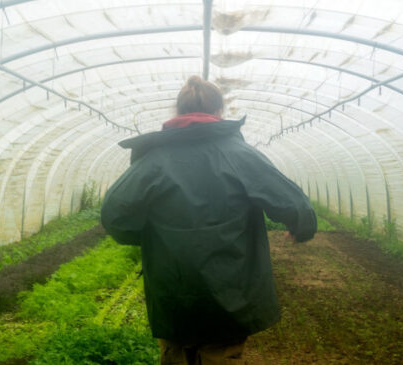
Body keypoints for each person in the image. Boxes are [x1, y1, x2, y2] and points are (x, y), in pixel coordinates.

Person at [101, 75, 317, 365]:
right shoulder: (238, 154)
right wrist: (300, 227)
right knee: (221, 353)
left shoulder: (154, 159)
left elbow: (114, 214)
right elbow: (293, 203)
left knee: (176, 355)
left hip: (172, 292)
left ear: (177, 113)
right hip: (230, 294)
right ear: (219, 113)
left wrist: (149, 236)